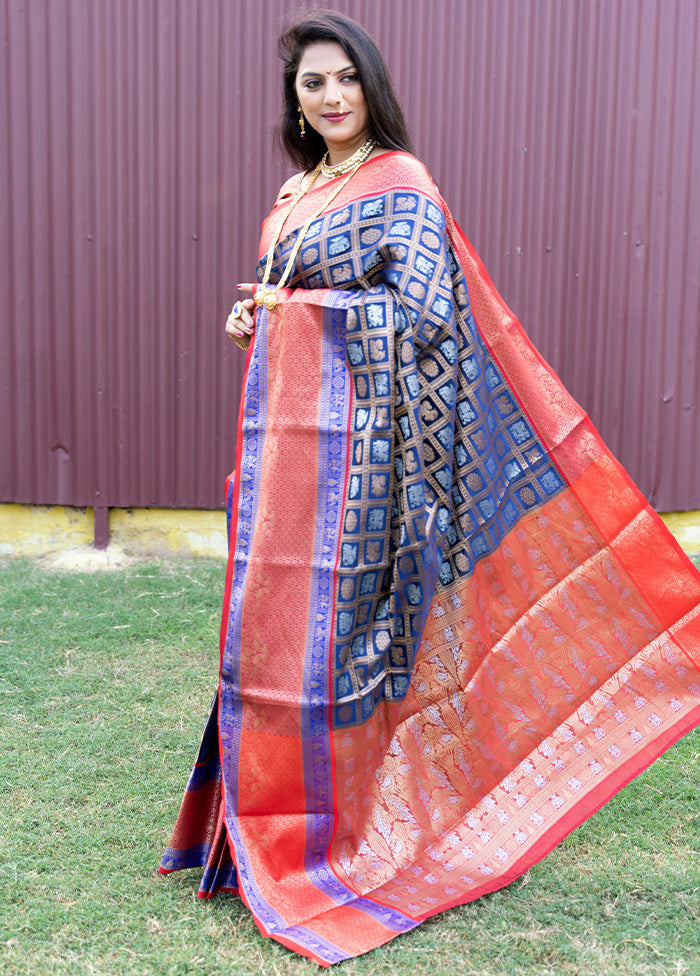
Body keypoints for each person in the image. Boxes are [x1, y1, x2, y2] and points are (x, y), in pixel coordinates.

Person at [159, 10, 700, 966]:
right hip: (291, 470)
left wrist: (305, 316)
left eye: (343, 79)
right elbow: (291, 300)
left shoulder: (400, 183)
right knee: (269, 637)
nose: (329, 97)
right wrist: (258, 317)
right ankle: (257, 836)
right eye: (311, 84)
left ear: (372, 86)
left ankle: (334, 839)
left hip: (369, 466)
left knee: (340, 645)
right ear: (294, 100)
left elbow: (424, 317)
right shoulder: (291, 196)